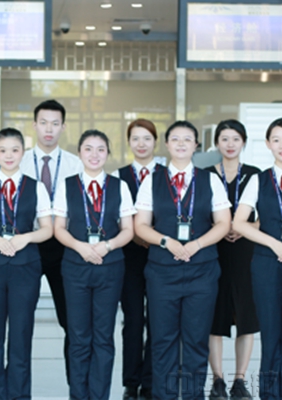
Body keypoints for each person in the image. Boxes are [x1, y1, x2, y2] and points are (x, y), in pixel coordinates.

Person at [134, 120, 231, 400]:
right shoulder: (152, 180)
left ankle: (192, 396)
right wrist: (166, 241)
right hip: (162, 273)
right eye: (175, 139)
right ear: (166, 144)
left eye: (187, 139)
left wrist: (197, 244)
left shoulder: (210, 180)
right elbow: (141, 225)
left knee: (196, 341)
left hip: (202, 272)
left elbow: (223, 223)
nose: (181, 144)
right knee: (162, 341)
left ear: (196, 145)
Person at [0, 128, 53, 399]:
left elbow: (47, 229)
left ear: (22, 153)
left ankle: (18, 394)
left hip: (25, 267)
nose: (8, 155)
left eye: (14, 150)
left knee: (21, 336)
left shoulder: (36, 187)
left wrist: (26, 237)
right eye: (3, 150)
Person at [53, 129, 135, 399]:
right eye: (88, 148)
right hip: (75, 268)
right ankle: (79, 395)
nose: (94, 154)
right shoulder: (67, 186)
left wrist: (106, 246)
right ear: (79, 153)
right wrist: (81, 247)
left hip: (110, 268)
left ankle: (99, 395)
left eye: (101, 149)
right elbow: (59, 228)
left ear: (108, 154)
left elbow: (128, 230)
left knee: (103, 336)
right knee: (78, 336)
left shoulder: (119, 186)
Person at [233, 117, 282, 400]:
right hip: (266, 262)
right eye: (276, 140)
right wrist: (275, 244)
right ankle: (270, 396)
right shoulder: (258, 180)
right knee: (271, 335)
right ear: (267, 144)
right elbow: (239, 223)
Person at [20, 99, 83, 381]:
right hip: (27, 244)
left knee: (71, 320)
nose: (49, 129)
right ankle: (18, 389)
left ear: (63, 127)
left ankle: (77, 386)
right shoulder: (19, 161)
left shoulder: (75, 164)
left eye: (55, 124)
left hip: (64, 247)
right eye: (44, 123)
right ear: (34, 125)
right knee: (21, 322)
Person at [205, 120, 260, 400]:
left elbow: (265, 216)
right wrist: (220, 228)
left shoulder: (255, 175)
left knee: (246, 317)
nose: (230, 144)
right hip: (213, 251)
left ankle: (240, 380)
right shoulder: (205, 175)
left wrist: (245, 228)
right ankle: (217, 380)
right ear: (216, 143)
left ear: (244, 142)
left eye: (235, 139)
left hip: (245, 252)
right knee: (214, 317)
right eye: (224, 139)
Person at [111, 119, 164, 400]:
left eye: (147, 138)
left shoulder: (168, 175)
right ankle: (131, 383)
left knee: (159, 321)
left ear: (155, 141)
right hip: (129, 258)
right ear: (128, 142)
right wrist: (137, 235)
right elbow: (113, 216)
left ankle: (151, 382)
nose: (141, 144)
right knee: (132, 320)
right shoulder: (118, 177)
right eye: (135, 138)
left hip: (162, 256)